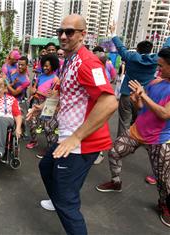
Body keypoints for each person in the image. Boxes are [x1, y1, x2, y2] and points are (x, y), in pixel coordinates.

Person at [32, 14, 117, 235]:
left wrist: (77, 136)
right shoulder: (69, 60)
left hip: (80, 143)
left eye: (70, 32)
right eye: (61, 31)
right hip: (67, 137)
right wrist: (40, 108)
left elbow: (109, 102)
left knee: (67, 203)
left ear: (82, 34)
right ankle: (59, 197)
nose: (63, 36)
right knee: (46, 167)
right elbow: (68, 95)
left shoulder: (88, 62)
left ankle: (62, 200)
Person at [96, 47, 170, 227]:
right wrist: (137, 101)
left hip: (159, 139)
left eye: (161, 66)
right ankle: (116, 182)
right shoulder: (154, 83)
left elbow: (164, 114)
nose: (157, 70)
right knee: (114, 152)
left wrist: (143, 94)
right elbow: (142, 109)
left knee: (163, 179)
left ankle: (165, 204)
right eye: (157, 66)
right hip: (137, 132)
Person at [26, 54, 60, 150]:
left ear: (52, 66)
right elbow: (32, 89)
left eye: (47, 66)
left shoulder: (56, 79)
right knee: (31, 122)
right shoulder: (40, 76)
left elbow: (52, 96)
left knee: (48, 127)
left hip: (48, 104)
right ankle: (34, 141)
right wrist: (33, 92)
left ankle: (50, 148)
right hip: (36, 101)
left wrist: (37, 91)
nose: (44, 68)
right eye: (44, 65)